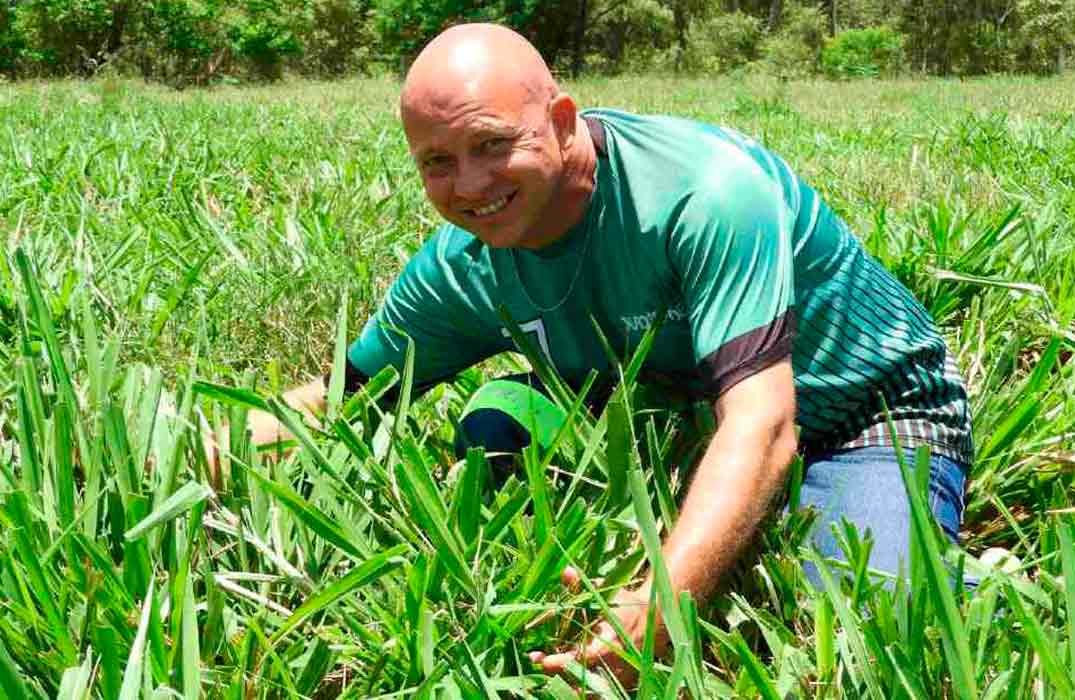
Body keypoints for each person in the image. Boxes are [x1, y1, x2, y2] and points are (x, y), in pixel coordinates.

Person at [205, 23, 972, 685]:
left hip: (860, 412)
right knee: (491, 437)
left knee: (865, 623)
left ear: (564, 120)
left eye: (492, 144)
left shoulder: (703, 193)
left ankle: (958, 559)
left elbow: (765, 425)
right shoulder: (459, 269)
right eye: (437, 161)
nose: (469, 184)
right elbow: (344, 395)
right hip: (671, 410)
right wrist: (188, 452)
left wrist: (665, 604)